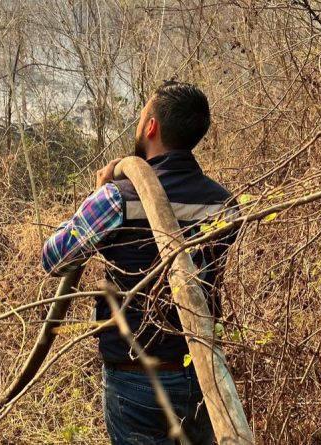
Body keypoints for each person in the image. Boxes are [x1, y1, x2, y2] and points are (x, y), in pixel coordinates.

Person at [41, 80, 239, 445]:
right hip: (203, 376)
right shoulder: (225, 204)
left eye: (141, 116)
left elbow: (55, 258)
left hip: (135, 377)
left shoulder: (117, 198)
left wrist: (97, 195)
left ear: (151, 127)